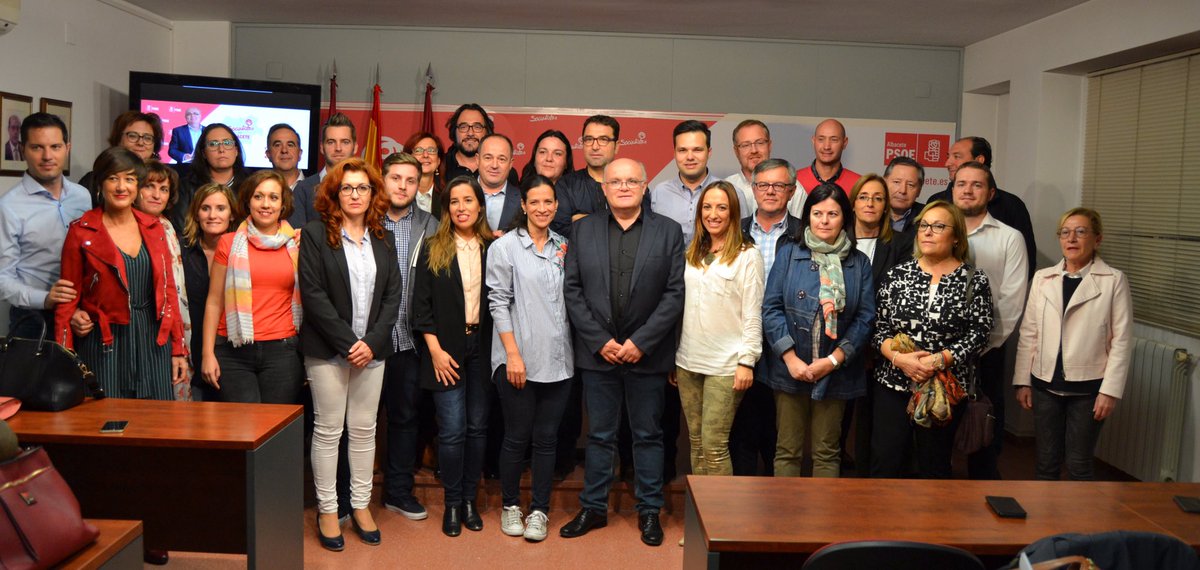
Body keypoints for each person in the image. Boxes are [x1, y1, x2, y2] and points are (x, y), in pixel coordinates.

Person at [559, 158, 684, 547]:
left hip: (646, 354)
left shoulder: (668, 231)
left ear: (646, 187)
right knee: (599, 435)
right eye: (616, 181)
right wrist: (600, 341)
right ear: (605, 188)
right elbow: (573, 290)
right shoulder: (583, 230)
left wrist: (640, 343)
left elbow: (674, 293)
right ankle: (593, 507)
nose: (624, 187)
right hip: (599, 354)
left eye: (633, 180)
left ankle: (649, 511)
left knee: (647, 435)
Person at [299, 158, 401, 551]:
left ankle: (360, 506)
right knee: (328, 431)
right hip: (328, 351)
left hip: (372, 351)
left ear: (373, 194)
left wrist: (371, 343)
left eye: (362, 188)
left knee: (363, 431)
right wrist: (348, 343)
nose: (355, 194)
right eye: (347, 188)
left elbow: (393, 295)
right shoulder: (313, 234)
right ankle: (328, 510)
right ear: (334, 193)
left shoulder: (383, 236)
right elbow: (313, 295)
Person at [870, 201, 993, 479]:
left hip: (944, 389)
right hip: (895, 384)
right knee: (886, 461)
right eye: (924, 225)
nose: (928, 231)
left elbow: (979, 333)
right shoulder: (897, 276)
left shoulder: (974, 280)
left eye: (938, 226)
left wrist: (939, 360)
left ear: (957, 237)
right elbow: (878, 330)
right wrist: (901, 360)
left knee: (933, 466)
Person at [55, 146, 187, 399]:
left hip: (153, 340)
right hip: (104, 343)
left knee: (156, 425)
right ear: (100, 184)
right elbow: (66, 301)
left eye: (129, 179)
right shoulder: (81, 231)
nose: (121, 187)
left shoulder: (154, 228)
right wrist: (65, 354)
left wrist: (178, 348)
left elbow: (169, 292)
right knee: (106, 424)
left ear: (137, 187)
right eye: (113, 178)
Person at [761, 183, 874, 478]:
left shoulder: (859, 263)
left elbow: (864, 318)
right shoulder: (788, 253)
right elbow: (771, 308)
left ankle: (821, 522)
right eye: (817, 213)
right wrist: (789, 358)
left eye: (832, 214)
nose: (824, 220)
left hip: (835, 369)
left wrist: (833, 360)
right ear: (807, 216)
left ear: (844, 219)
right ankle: (787, 520)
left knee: (826, 451)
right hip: (791, 367)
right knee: (787, 450)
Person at [1013, 208, 1132, 481]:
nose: (1072, 239)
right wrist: (1023, 381)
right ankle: (1046, 523)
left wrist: (1110, 391)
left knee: (1079, 465)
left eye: (1081, 232)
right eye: (1065, 233)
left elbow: (1121, 341)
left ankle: (1080, 524)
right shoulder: (1044, 278)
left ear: (1097, 239)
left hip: (1089, 388)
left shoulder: (1114, 280)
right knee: (1045, 464)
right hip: (1045, 385)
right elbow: (1029, 332)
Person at [486, 174, 573, 542]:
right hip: (517, 359)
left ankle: (539, 510)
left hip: (559, 360)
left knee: (547, 439)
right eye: (534, 202)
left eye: (548, 202)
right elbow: (498, 302)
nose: (541, 208)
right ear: (523, 205)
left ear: (556, 206)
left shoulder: (564, 246)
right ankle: (510, 505)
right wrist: (513, 355)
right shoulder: (505, 247)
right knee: (516, 437)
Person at [412, 175, 495, 537]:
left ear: (480, 205)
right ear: (446, 209)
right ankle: (451, 504)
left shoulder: (495, 248)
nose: (462, 207)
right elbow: (421, 308)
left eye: (468, 200)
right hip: (445, 351)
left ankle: (469, 502)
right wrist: (435, 352)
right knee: (452, 431)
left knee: (477, 429)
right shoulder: (433, 246)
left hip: (483, 349)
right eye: (454, 202)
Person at [674, 180, 763, 477]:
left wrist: (746, 362)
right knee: (696, 443)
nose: (713, 214)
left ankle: (722, 523)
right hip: (687, 361)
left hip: (726, 365)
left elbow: (752, 314)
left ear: (733, 213)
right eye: (707, 207)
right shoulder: (692, 252)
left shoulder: (747, 255)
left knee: (714, 446)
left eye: (721, 207)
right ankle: (700, 519)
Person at [200, 170, 304, 405]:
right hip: (233, 351)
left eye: (273, 197)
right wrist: (207, 354)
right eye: (258, 197)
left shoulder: (297, 243)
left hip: (283, 351)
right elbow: (214, 301)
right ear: (248, 201)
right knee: (241, 430)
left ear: (283, 204)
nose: (265, 204)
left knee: (274, 430)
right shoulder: (228, 242)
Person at [952, 161, 1029, 480]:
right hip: (937, 351)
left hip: (987, 350)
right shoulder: (935, 229)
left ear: (991, 193)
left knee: (983, 425)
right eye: (961, 184)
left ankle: (980, 492)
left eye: (977, 185)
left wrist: (981, 346)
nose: (967, 190)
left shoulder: (1010, 238)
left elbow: (1012, 300)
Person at [730, 158, 802, 477]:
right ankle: (742, 514)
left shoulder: (806, 233)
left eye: (779, 185)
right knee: (742, 430)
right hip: (740, 341)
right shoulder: (734, 229)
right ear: (753, 189)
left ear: (791, 191)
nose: (770, 191)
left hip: (789, 343)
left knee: (781, 435)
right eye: (763, 185)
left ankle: (778, 514)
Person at [378, 152, 439, 522]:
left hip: (410, 340)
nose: (402, 186)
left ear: (420, 185)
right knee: (360, 421)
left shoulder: (433, 225)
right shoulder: (364, 220)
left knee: (404, 419)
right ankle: (347, 496)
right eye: (395, 178)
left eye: (410, 180)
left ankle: (398, 493)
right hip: (368, 341)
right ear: (382, 180)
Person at [0, 112, 90, 338]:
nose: (47, 156)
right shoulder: (9, 206)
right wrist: (46, 299)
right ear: (22, 149)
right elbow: (3, 279)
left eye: (55, 146)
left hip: (82, 315)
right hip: (34, 320)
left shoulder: (83, 196)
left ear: (67, 148)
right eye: (37, 147)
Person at [847, 173, 913, 473]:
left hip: (884, 349)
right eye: (864, 197)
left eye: (878, 198)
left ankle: (871, 484)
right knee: (837, 425)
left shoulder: (900, 244)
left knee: (878, 426)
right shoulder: (837, 239)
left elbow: (897, 299)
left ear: (886, 205)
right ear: (853, 203)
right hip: (842, 345)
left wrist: (875, 346)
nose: (870, 204)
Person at [927, 136, 1036, 276]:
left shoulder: (1012, 206)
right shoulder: (937, 202)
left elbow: (1026, 265)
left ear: (979, 160)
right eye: (948, 156)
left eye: (957, 156)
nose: (947, 163)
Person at [135, 160, 192, 400]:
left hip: (175, 323)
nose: (157, 195)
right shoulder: (126, 225)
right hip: (143, 324)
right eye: (150, 186)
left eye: (164, 189)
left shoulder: (167, 225)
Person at [180, 183, 236, 401]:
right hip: (189, 347)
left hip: (232, 351)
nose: (212, 215)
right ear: (196, 213)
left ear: (232, 214)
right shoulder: (180, 249)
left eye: (221, 208)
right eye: (205, 208)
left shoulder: (243, 251)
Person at [651, 120, 747, 245]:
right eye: (682, 150)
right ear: (674, 153)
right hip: (670, 265)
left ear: (709, 152)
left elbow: (741, 240)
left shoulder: (732, 193)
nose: (690, 157)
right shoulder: (659, 193)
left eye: (697, 150)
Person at [552, 115, 621, 235]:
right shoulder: (566, 185)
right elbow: (561, 231)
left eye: (603, 139)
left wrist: (582, 220)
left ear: (616, 146)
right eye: (589, 139)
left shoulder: (632, 184)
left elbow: (640, 228)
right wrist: (616, 222)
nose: (595, 146)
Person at [173, 123, 248, 231]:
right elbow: (182, 231)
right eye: (213, 144)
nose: (221, 149)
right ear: (203, 153)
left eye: (227, 143)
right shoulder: (186, 187)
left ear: (236, 151)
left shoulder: (251, 185)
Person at [291, 113, 358, 228]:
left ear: (355, 147)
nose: (338, 148)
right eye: (331, 142)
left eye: (345, 142)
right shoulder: (304, 189)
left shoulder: (365, 188)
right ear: (322, 147)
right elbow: (297, 238)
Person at [80, 111, 166, 200]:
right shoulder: (93, 180)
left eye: (148, 138)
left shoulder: (166, 180)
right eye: (132, 136)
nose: (140, 143)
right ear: (118, 140)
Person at [787, 119, 861, 216]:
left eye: (834, 140)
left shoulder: (859, 184)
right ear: (813, 141)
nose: (826, 146)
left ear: (845, 142)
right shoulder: (794, 180)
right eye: (821, 139)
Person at [443, 103, 519, 186]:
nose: (470, 133)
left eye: (477, 127)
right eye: (463, 127)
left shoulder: (505, 172)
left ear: (487, 131)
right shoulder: (440, 167)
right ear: (454, 131)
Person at [477, 133, 522, 233]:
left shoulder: (523, 200)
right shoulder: (458, 194)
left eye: (501, 159)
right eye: (488, 158)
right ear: (477, 159)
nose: (494, 165)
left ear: (510, 164)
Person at [724, 119, 771, 214]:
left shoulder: (790, 187)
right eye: (746, 145)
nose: (754, 150)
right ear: (736, 151)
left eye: (760, 143)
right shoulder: (725, 188)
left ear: (769, 146)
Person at [401, 131, 444, 215]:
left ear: (439, 161)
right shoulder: (399, 193)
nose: (425, 155)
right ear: (409, 158)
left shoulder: (448, 196)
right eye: (418, 150)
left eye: (431, 150)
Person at [885, 156, 925, 232]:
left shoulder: (927, 216)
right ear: (884, 183)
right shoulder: (871, 212)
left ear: (919, 191)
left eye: (910, 185)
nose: (903, 190)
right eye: (897, 182)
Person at [266, 123, 305, 190]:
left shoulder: (317, 189)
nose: (284, 150)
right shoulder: (255, 189)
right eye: (277, 145)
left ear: (299, 153)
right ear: (268, 154)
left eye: (290, 145)